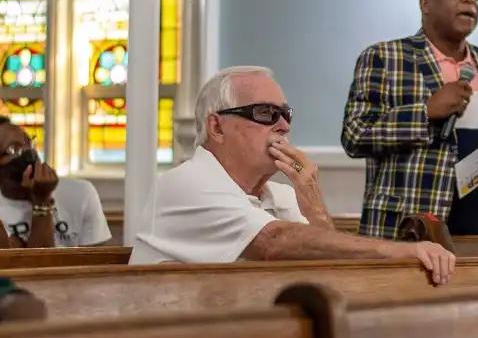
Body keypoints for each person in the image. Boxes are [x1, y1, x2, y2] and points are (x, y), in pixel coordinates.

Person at [129, 66, 455, 285]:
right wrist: (405, 251)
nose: (283, 125)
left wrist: (312, 200)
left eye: (285, 113)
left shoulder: (282, 196)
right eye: (265, 113)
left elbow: (333, 272)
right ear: (216, 127)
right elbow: (273, 243)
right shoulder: (186, 184)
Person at [341, 0, 478, 238]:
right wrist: (425, 112)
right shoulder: (386, 58)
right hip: (409, 233)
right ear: (425, 3)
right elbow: (355, 135)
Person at [0, 117, 111, 247]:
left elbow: (100, 261)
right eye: (14, 149)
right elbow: (37, 264)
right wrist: (42, 200)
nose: (28, 151)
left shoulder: (81, 192)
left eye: (29, 142)